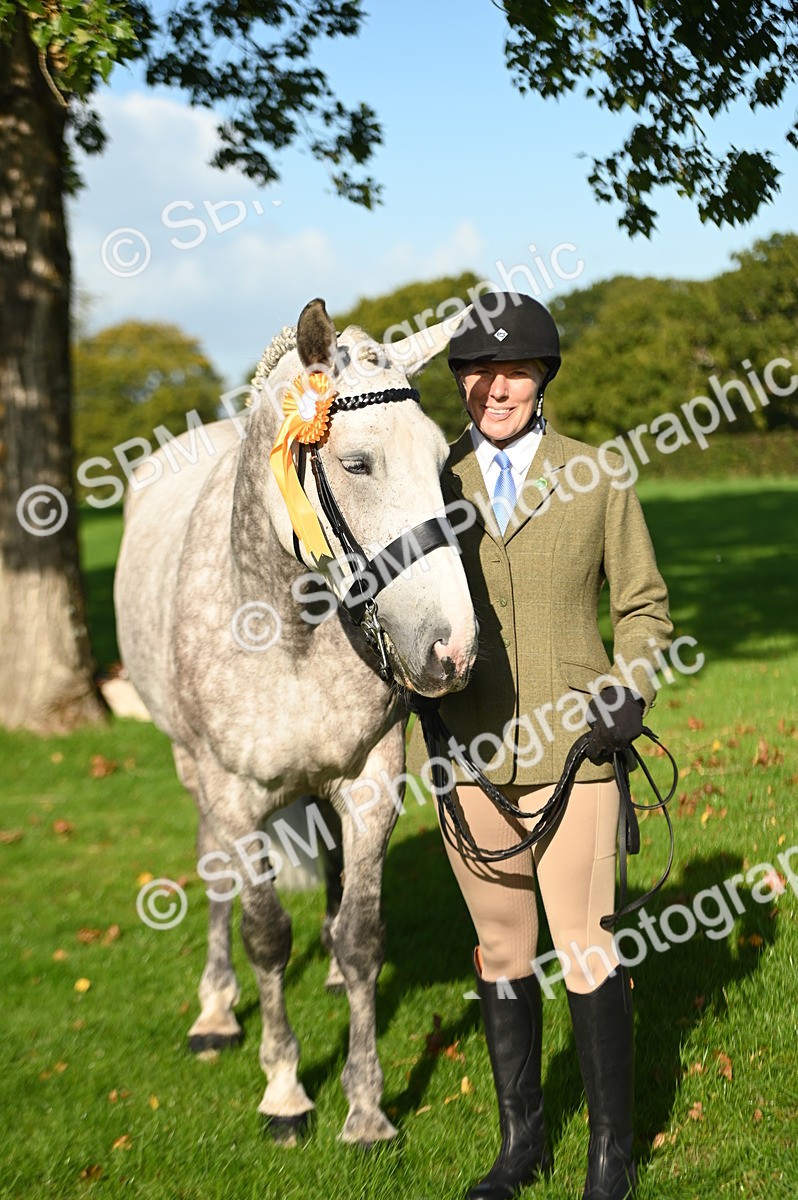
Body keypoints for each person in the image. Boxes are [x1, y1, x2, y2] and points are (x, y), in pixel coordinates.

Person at [433, 292, 672, 1200]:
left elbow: (643, 607)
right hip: (467, 753)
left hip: (577, 747)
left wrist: (630, 686)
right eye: (477, 373)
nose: (495, 388)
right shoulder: (433, 482)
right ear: (460, 382)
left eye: (515, 372)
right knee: (501, 950)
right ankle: (520, 1146)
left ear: (543, 379)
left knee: (585, 946)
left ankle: (612, 1154)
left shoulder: (598, 475)